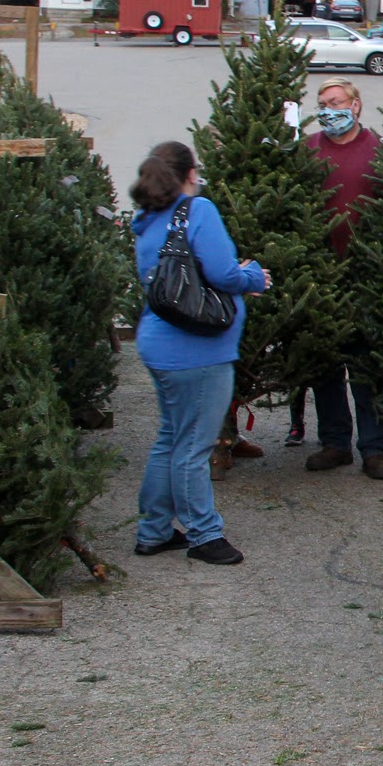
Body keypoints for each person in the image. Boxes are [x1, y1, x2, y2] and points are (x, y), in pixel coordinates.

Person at [128, 141, 271, 566]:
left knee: (170, 438)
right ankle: (204, 535)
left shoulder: (146, 220)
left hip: (157, 342)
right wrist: (253, 275)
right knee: (194, 446)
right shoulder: (197, 210)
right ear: (191, 174)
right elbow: (224, 274)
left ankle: (153, 530)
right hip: (198, 351)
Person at [302, 78, 383, 480]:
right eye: (322, 103)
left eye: (336, 102)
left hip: (366, 273)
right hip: (321, 273)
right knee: (325, 360)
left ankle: (374, 448)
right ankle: (334, 442)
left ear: (356, 106)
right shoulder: (308, 151)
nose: (328, 109)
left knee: (365, 364)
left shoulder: (380, 151)